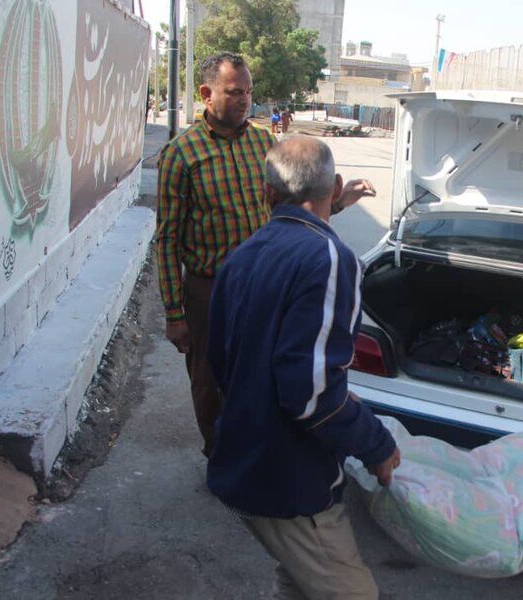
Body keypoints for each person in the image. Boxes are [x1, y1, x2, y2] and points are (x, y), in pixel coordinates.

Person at [207, 136, 400, 600]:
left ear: (267, 195)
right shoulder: (331, 258)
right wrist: (377, 445)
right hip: (289, 477)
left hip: (245, 457)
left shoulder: (243, 255)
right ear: (336, 188)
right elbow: (309, 396)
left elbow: (221, 360)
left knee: (297, 580)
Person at [156, 51, 376, 458]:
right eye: (234, 92)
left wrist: (337, 202)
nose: (245, 100)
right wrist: (175, 314)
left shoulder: (263, 142)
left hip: (268, 282)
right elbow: (167, 239)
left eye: (249, 92)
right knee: (210, 381)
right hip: (211, 290)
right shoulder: (181, 155)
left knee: (266, 371)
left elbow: (292, 210)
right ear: (206, 93)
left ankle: (258, 454)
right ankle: (221, 458)